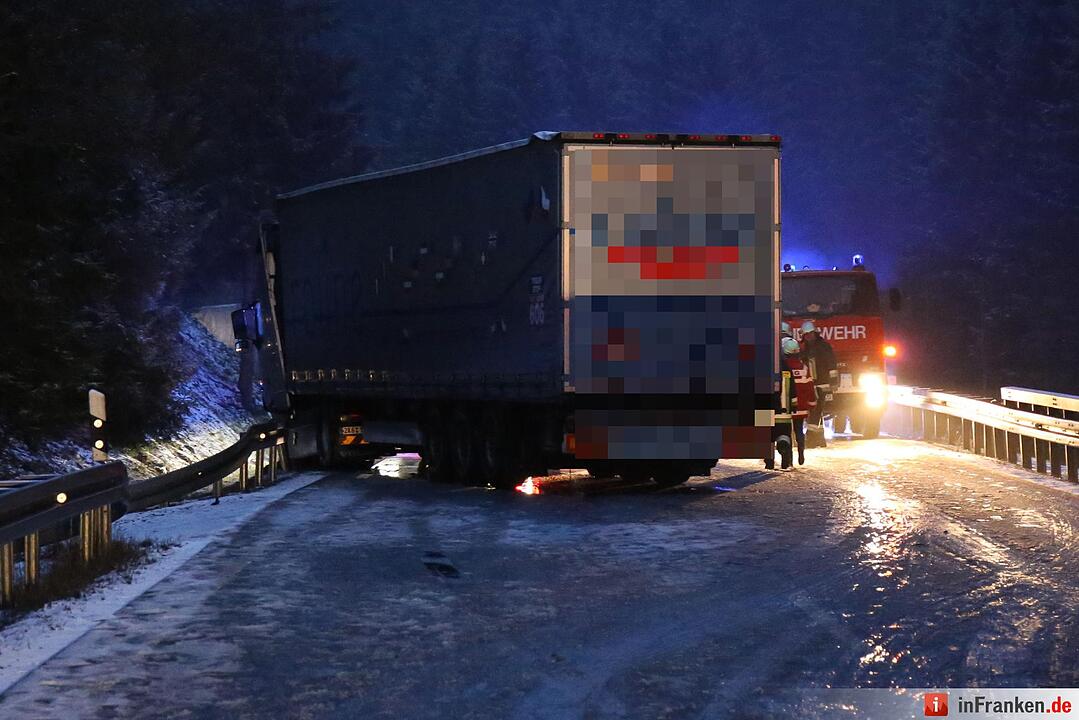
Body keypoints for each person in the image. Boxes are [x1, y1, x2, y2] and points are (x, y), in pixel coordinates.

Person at [775, 336, 816, 467]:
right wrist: (812, 403)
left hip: (787, 407)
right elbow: (810, 387)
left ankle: (789, 460)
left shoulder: (783, 368)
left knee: (787, 433)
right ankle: (801, 452)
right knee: (799, 431)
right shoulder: (804, 368)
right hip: (801, 407)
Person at [800, 320, 837, 448]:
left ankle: (811, 438)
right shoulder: (806, 348)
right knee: (817, 410)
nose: (808, 336)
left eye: (810, 334)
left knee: (815, 410)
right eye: (806, 334)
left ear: (815, 333)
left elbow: (832, 364)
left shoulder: (823, 346)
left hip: (822, 383)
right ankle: (820, 439)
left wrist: (833, 381)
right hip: (812, 383)